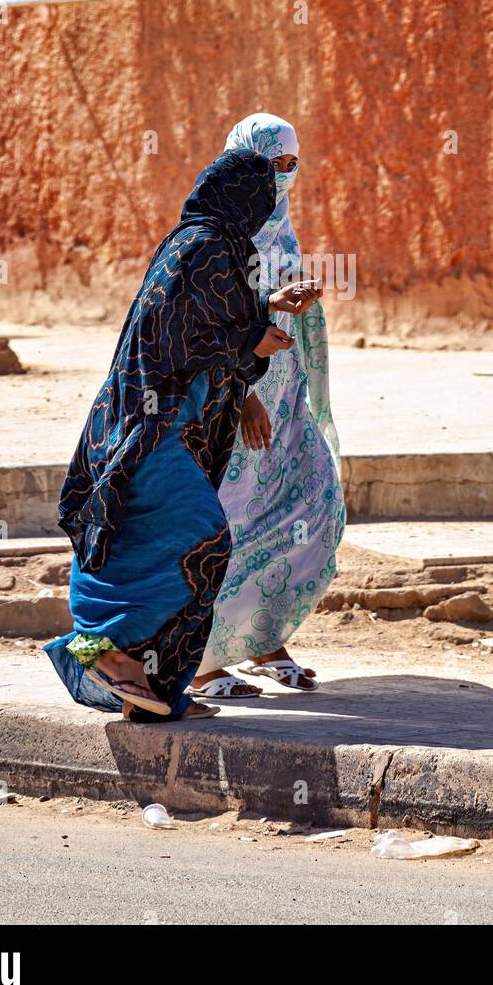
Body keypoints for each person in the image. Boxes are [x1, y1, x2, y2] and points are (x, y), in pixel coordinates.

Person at [44, 149, 319, 722]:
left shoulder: (196, 242)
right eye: (264, 190)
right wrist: (254, 344)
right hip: (155, 427)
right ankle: (107, 656)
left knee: (142, 542)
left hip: (148, 423)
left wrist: (267, 307)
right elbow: (178, 338)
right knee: (199, 542)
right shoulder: (209, 247)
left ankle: (151, 691)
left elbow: (195, 319)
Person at [192, 113, 346, 700]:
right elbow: (211, 320)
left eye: (291, 165)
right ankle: (203, 660)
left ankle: (262, 636)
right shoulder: (221, 230)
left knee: (311, 501)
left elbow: (268, 301)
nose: (283, 176)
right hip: (238, 398)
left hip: (285, 394)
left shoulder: (279, 225)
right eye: (271, 165)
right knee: (230, 520)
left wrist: (300, 303)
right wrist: (244, 393)